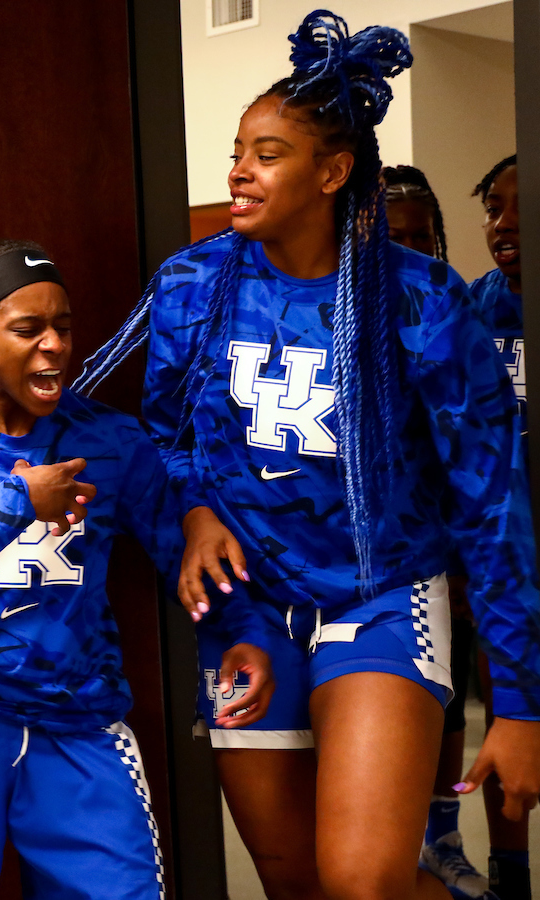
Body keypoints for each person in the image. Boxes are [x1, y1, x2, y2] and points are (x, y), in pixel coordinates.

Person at [76, 12, 540, 900]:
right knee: (299, 889)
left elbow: (491, 502)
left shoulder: (421, 299)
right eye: (238, 150)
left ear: (332, 172)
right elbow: (165, 445)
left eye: (269, 152)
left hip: (379, 599)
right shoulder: (191, 284)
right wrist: (199, 510)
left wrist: (519, 700)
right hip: (245, 616)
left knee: (362, 882)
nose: (240, 170)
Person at [0, 240, 274, 900]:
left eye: (63, 328)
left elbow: (179, 550)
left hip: (78, 721)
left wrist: (242, 630)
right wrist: (17, 502)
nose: (54, 346)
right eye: (28, 329)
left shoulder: (110, 440)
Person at [380, 164, 491, 899]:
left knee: (449, 695)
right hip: (377, 557)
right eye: (399, 235)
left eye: (424, 234)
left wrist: (458, 565)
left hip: (446, 541)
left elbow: (472, 459)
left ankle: (444, 834)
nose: (415, 247)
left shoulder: (451, 308)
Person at [467, 154, 532, 900]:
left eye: (519, 208)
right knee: (508, 713)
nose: (503, 224)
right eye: (492, 208)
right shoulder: (477, 310)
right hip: (503, 560)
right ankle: (509, 874)